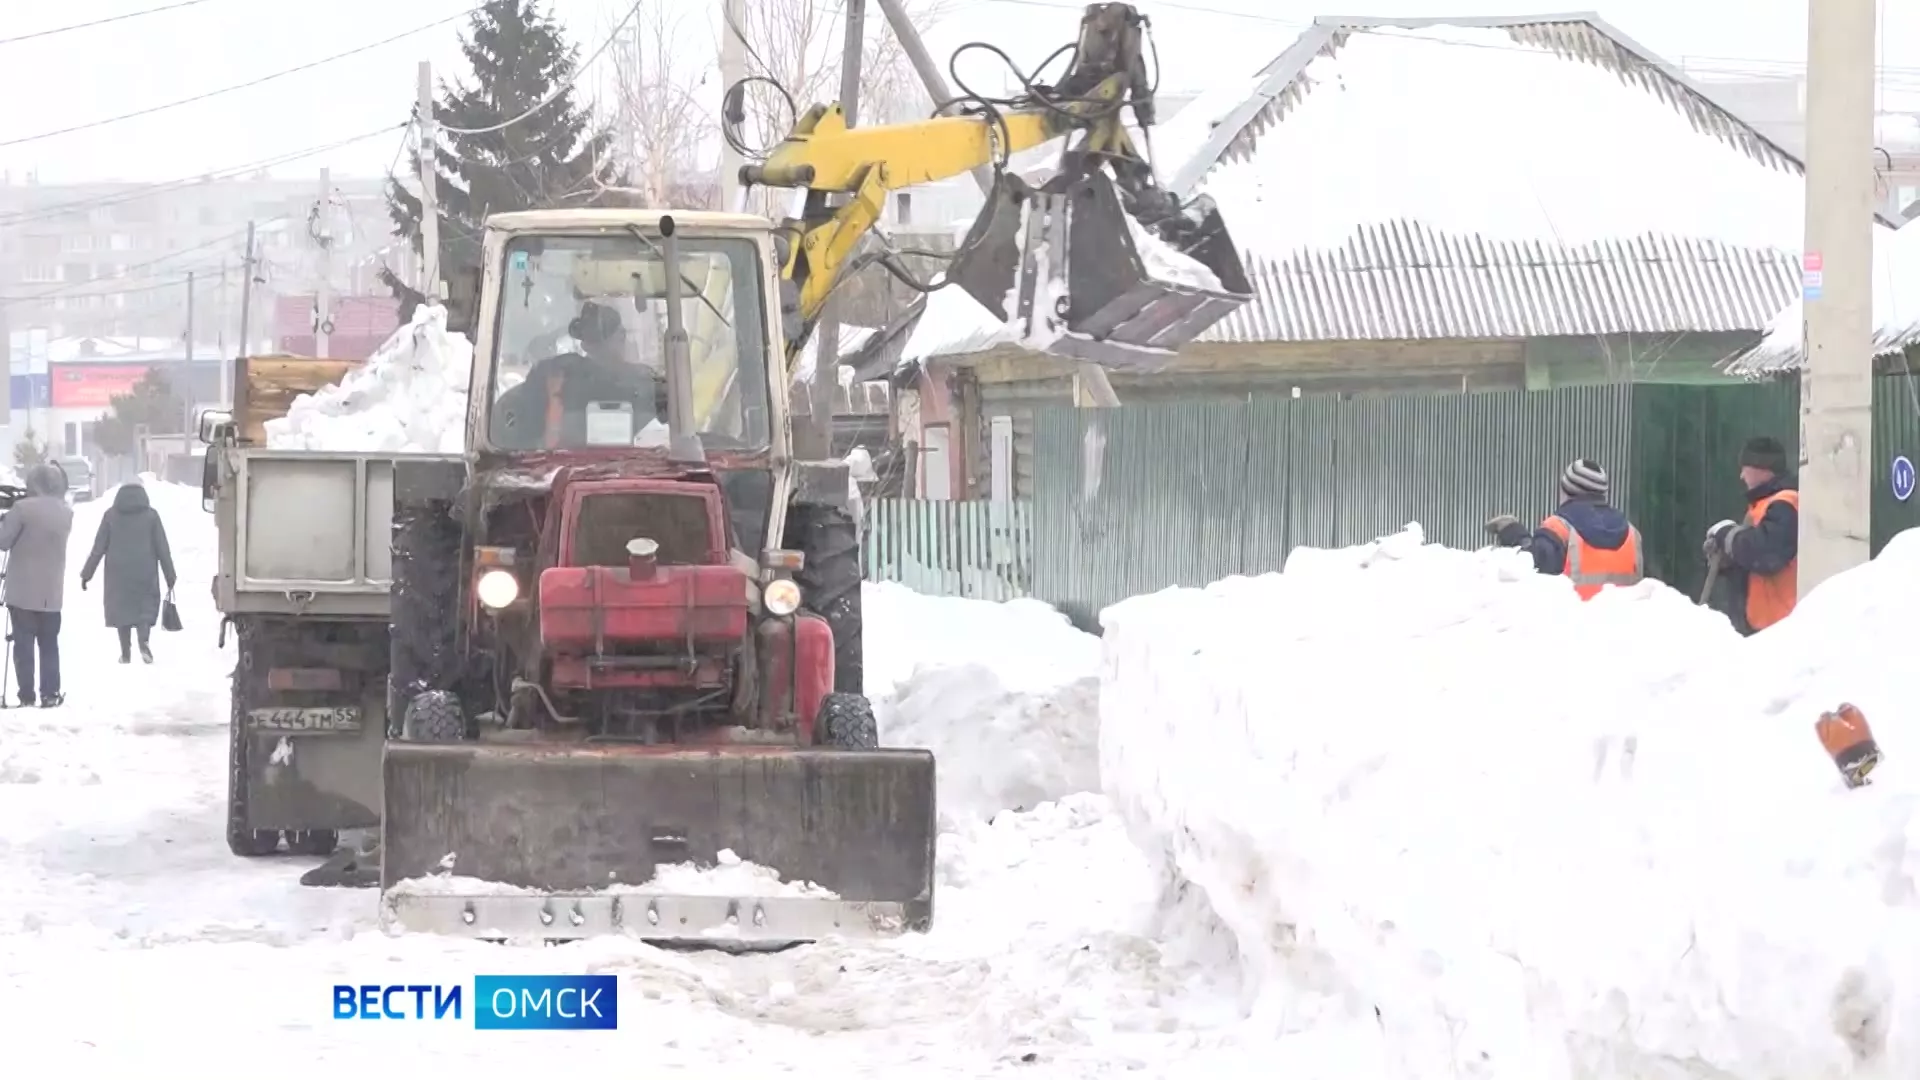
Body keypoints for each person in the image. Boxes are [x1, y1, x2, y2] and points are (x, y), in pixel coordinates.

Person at [493, 300, 662, 448]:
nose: (615, 345)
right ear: (585, 345)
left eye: (616, 336)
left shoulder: (647, 384)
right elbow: (518, 450)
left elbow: (670, 436)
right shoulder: (554, 377)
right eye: (599, 340)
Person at [1484, 458, 1644, 600]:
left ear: (1566, 490)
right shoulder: (1632, 534)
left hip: (1571, 629)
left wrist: (1511, 531)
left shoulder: (1559, 528)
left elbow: (1530, 569)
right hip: (1621, 629)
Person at [1704, 435, 1798, 635]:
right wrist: (1727, 561)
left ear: (1761, 468)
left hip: (1778, 630)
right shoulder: (1764, 506)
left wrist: (1728, 537)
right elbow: (1752, 564)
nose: (1741, 476)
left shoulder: (1785, 504)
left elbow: (1766, 554)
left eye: (1744, 467)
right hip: (1762, 629)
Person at [0, 463, 75, 707]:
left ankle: (26, 696)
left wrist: (5, 518)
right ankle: (50, 693)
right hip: (51, 592)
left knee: (23, 646)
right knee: (49, 644)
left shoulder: (21, 509)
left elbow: (3, 541)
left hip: (22, 590)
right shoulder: (66, 512)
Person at [80, 481, 178, 664]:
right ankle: (144, 642)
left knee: (121, 608)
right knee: (144, 607)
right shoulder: (151, 517)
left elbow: (98, 548)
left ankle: (125, 652)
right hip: (145, 569)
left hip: (117, 572)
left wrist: (87, 574)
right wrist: (170, 575)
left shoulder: (110, 516)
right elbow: (162, 548)